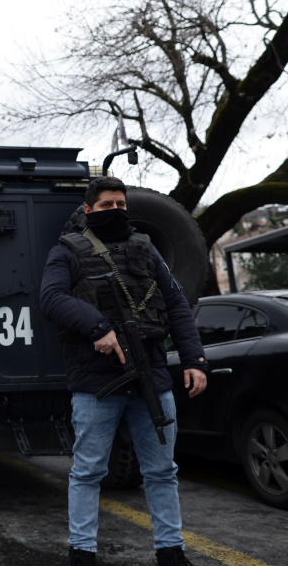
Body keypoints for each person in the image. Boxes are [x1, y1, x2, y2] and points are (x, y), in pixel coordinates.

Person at [39, 176, 208, 566]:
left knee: (162, 471)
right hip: (97, 380)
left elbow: (177, 307)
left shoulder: (146, 250)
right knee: (88, 471)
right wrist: (98, 328)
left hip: (151, 375)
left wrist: (195, 361)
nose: (115, 211)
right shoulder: (66, 252)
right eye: (106, 205)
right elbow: (51, 297)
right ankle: (81, 552)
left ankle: (171, 551)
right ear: (88, 210)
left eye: (120, 204)